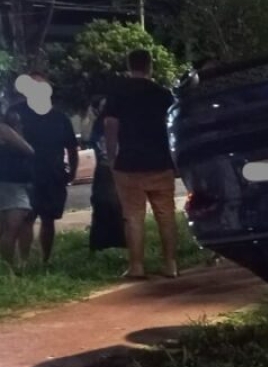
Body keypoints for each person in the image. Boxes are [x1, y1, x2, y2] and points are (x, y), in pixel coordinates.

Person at [103, 49, 178, 279]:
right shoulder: (164, 94)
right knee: (166, 215)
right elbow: (173, 127)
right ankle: (171, 265)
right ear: (150, 66)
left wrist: (111, 155)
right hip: (161, 162)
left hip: (129, 162)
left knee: (133, 217)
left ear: (129, 65)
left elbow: (109, 124)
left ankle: (136, 266)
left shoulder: (118, 93)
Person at [12, 72, 79, 266]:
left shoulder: (59, 117)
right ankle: (23, 262)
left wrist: (72, 172)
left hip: (53, 175)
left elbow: (72, 148)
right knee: (26, 218)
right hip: (24, 175)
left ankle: (44, 261)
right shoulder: (15, 113)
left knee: (48, 219)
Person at [87, 95, 127, 252]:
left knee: (110, 205)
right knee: (111, 205)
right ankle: (113, 242)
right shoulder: (108, 122)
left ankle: (108, 243)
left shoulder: (101, 124)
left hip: (107, 168)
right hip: (109, 169)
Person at [0, 103, 35, 270]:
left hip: (13, 182)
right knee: (12, 226)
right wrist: (17, 132)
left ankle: (13, 265)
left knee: (11, 225)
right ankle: (9, 266)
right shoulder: (4, 130)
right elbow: (29, 149)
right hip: (10, 183)